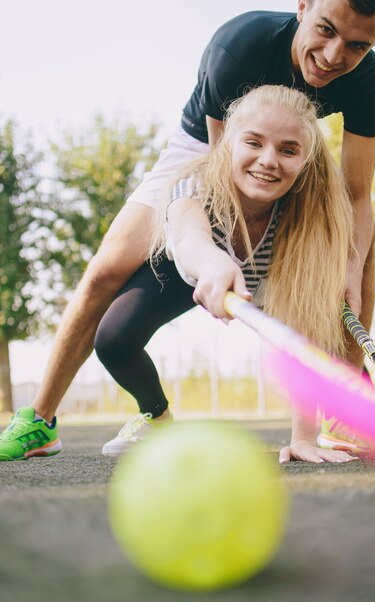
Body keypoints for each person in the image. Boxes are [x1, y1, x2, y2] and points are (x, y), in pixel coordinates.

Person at [0, 0, 375, 462]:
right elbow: (216, 178)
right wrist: (212, 258)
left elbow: (356, 197)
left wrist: (348, 270)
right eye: (325, 30)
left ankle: (344, 407)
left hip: (292, 147)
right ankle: (40, 419)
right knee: (106, 270)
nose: (333, 55)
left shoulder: (369, 81)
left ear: (374, 44)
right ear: (304, 6)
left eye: (355, 45)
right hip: (217, 147)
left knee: (357, 251)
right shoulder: (240, 45)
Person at [94, 84, 358, 464]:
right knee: (114, 340)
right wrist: (215, 262)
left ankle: (343, 416)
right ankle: (159, 420)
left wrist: (303, 437)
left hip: (267, 284)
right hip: (193, 274)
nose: (268, 160)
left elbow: (302, 335)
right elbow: (189, 235)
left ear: (306, 161)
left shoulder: (310, 222)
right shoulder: (195, 186)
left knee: (331, 356)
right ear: (228, 144)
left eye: (288, 150)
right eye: (254, 142)